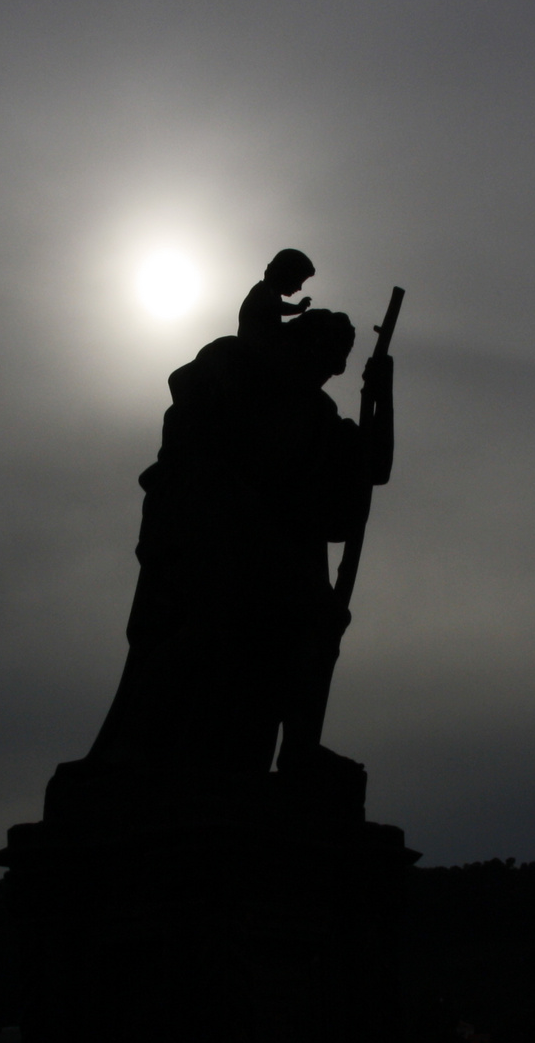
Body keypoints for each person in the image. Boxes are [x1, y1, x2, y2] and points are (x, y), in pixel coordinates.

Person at [84, 309, 393, 780]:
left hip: (283, 549)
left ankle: (300, 749)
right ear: (298, 344)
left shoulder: (320, 416)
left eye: (340, 358)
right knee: (207, 627)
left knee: (319, 623)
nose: (332, 365)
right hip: (224, 533)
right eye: (326, 350)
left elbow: (373, 469)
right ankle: (138, 741)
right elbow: (195, 432)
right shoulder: (244, 374)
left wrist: (381, 393)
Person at [237, 248, 315, 347]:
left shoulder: (271, 294)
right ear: (284, 275)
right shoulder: (262, 291)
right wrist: (298, 308)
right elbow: (276, 307)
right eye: (298, 281)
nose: (299, 288)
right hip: (258, 341)